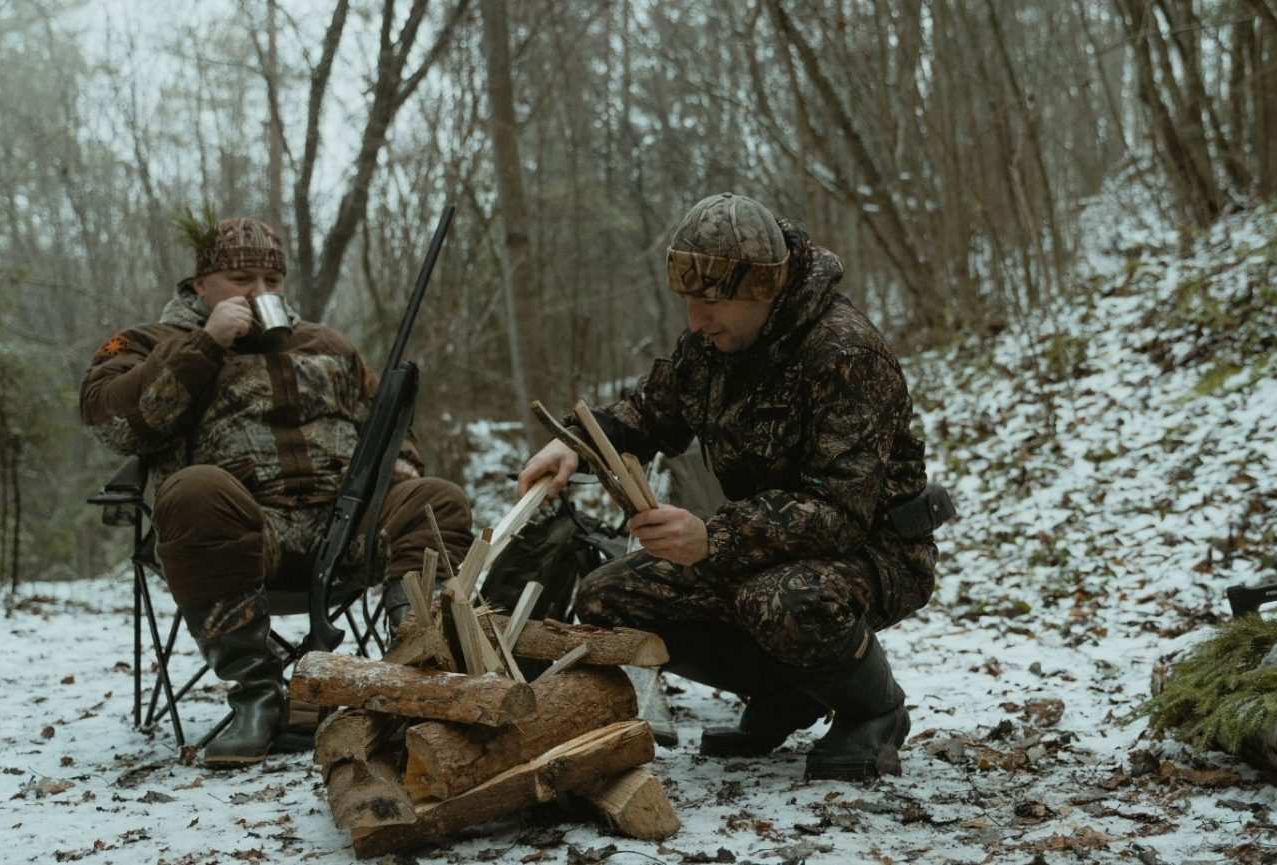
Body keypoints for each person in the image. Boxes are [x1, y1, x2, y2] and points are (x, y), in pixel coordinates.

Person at [517, 193, 942, 782]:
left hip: (875, 550)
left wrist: (713, 538)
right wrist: (573, 444)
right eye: (688, 301)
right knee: (607, 597)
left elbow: (840, 510)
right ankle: (789, 692)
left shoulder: (845, 352)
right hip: (757, 547)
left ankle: (875, 710)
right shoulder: (714, 348)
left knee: (781, 600)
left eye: (712, 302)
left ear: (764, 289)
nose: (695, 320)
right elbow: (649, 413)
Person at [81, 216, 472, 767]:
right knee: (194, 489)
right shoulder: (150, 344)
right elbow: (112, 423)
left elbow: (389, 424)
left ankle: (415, 684)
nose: (259, 293)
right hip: (237, 541)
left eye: (271, 282)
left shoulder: (328, 345)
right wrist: (206, 344)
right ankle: (257, 699)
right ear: (200, 285)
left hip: (344, 534)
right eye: (240, 279)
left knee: (437, 498)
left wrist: (402, 463)